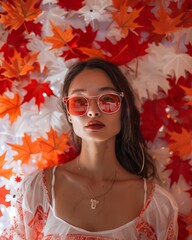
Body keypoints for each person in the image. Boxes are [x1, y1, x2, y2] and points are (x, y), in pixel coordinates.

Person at [2, 58, 178, 240]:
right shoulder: (35, 191)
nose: (93, 111)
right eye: (79, 101)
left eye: (107, 99)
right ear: (68, 114)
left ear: (123, 109)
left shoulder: (158, 206)